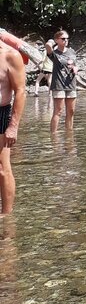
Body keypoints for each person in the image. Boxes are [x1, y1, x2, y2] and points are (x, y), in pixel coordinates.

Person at [0, 42, 26, 215]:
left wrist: (13, 126)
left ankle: (6, 217)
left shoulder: (10, 55)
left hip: (0, 113)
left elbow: (21, 91)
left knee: (2, 168)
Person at [46, 30, 78, 131]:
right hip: (59, 84)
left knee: (71, 111)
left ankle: (69, 134)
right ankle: (53, 136)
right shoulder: (54, 54)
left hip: (71, 83)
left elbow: (73, 64)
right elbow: (47, 46)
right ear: (57, 40)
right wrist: (52, 41)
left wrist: (75, 68)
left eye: (67, 39)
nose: (66, 41)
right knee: (58, 111)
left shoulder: (71, 51)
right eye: (63, 39)